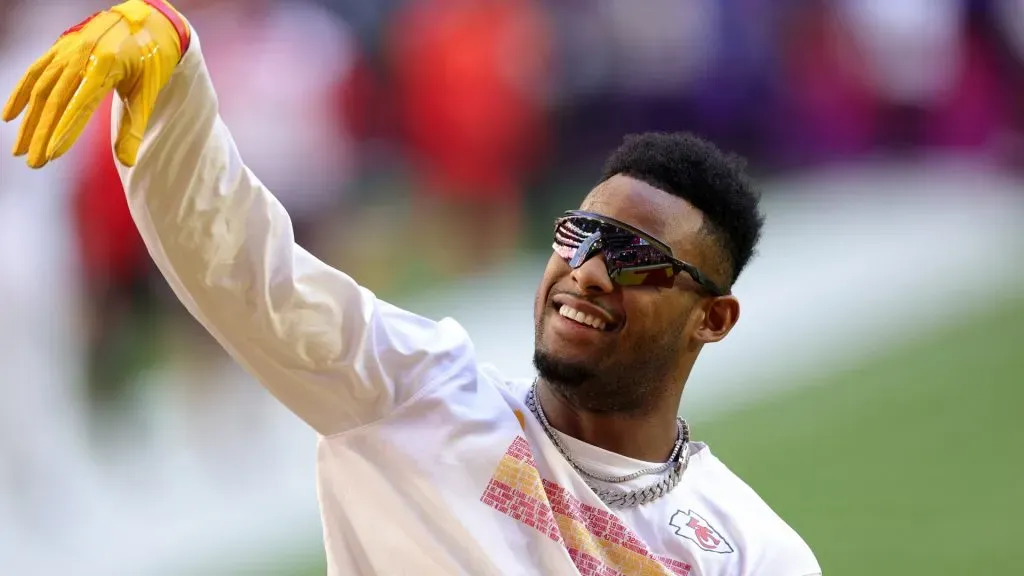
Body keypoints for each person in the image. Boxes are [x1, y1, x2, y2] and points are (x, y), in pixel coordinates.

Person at [3, 1, 822, 574]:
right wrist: (174, 79)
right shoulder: (413, 396)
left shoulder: (749, 550)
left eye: (639, 257)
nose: (591, 269)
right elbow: (246, 269)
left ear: (711, 319)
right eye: (582, 232)